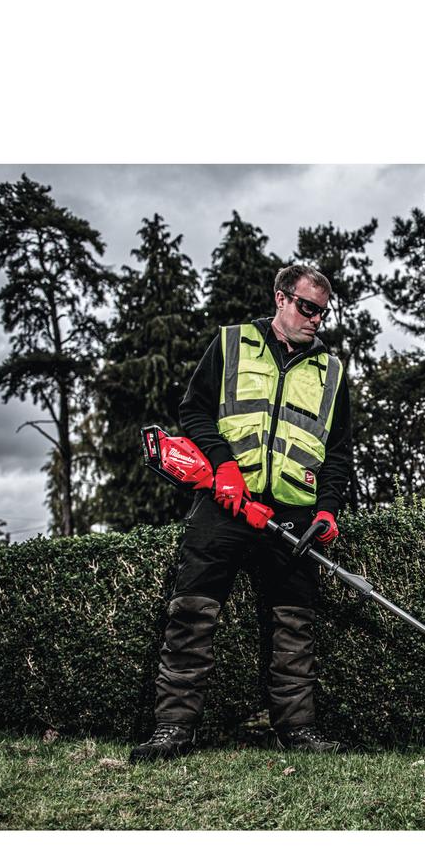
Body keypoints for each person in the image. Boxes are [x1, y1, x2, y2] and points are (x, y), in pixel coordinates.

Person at [130, 264, 352, 763]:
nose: (316, 319)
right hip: (224, 502)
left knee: (294, 624)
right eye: (308, 307)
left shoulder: (331, 372)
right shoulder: (232, 343)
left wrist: (327, 510)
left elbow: (338, 452)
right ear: (281, 298)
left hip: (294, 514)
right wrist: (224, 466)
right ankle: (173, 728)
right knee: (192, 612)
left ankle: (297, 730)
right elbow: (194, 410)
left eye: (323, 312)